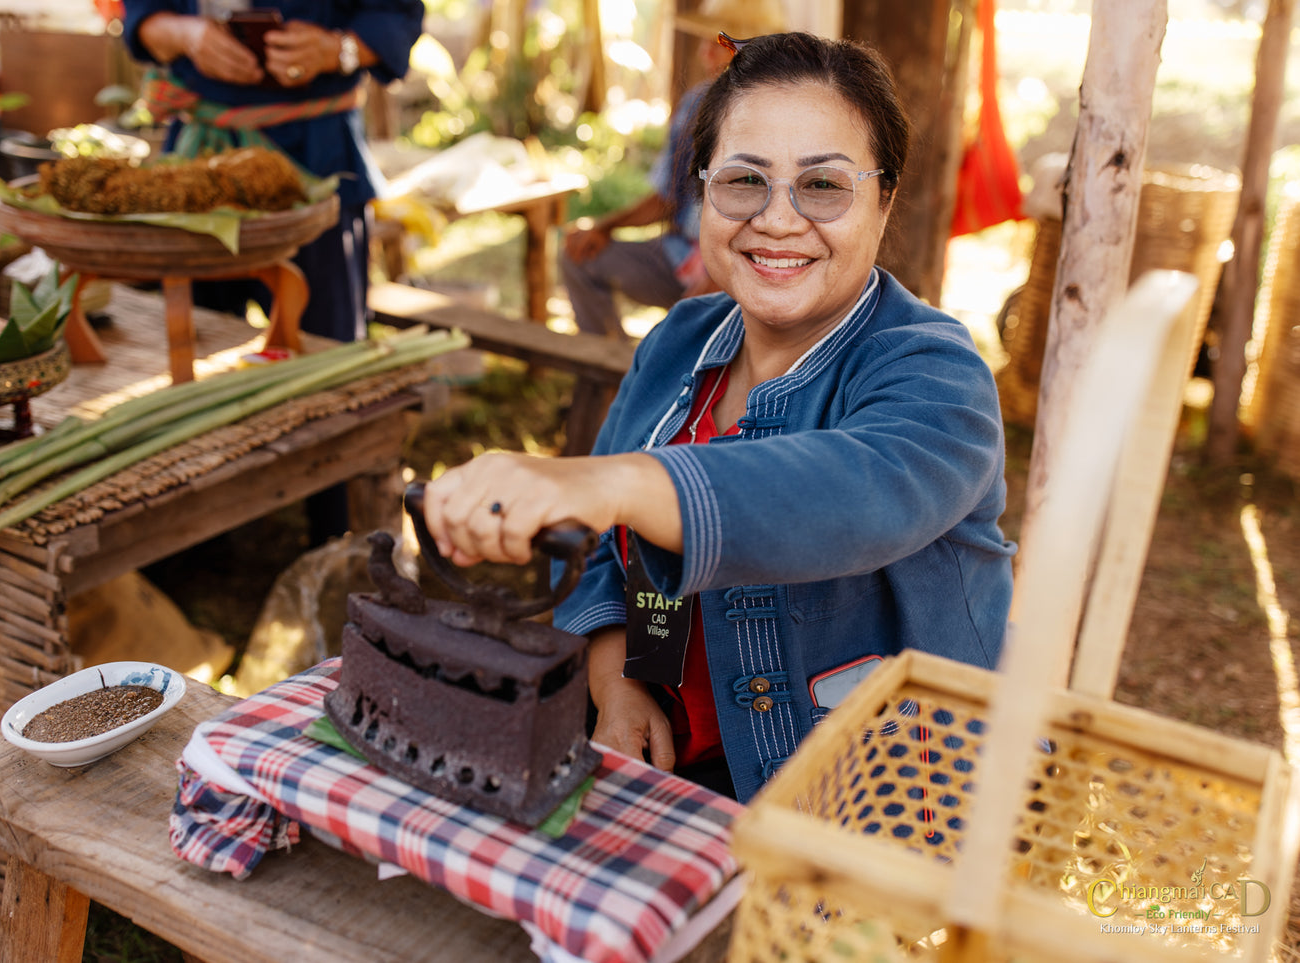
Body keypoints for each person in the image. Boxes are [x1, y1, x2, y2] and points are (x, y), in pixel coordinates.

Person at [419, 32, 1016, 803]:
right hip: (691, 772)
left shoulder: (935, 373)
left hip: (885, 803)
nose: (776, 219)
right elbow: (607, 554)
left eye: (823, 186)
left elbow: (846, 498)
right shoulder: (676, 344)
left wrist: (618, 480)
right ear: (701, 189)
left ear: (885, 196)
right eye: (743, 181)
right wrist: (617, 681)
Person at [122, 0, 423, 543]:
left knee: (327, 353)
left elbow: (396, 13)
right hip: (203, 160)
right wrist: (187, 33)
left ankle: (334, 536)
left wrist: (340, 48)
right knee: (195, 346)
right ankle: (196, 527)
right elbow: (144, 18)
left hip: (318, 153)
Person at [558, 0, 785, 339]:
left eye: (718, 43)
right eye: (706, 42)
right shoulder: (696, 104)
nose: (704, 53)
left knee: (695, 338)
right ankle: (609, 375)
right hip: (679, 254)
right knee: (577, 256)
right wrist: (602, 228)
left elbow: (776, 222)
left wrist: (720, 277)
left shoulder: (784, 120)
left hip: (748, 270)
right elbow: (666, 197)